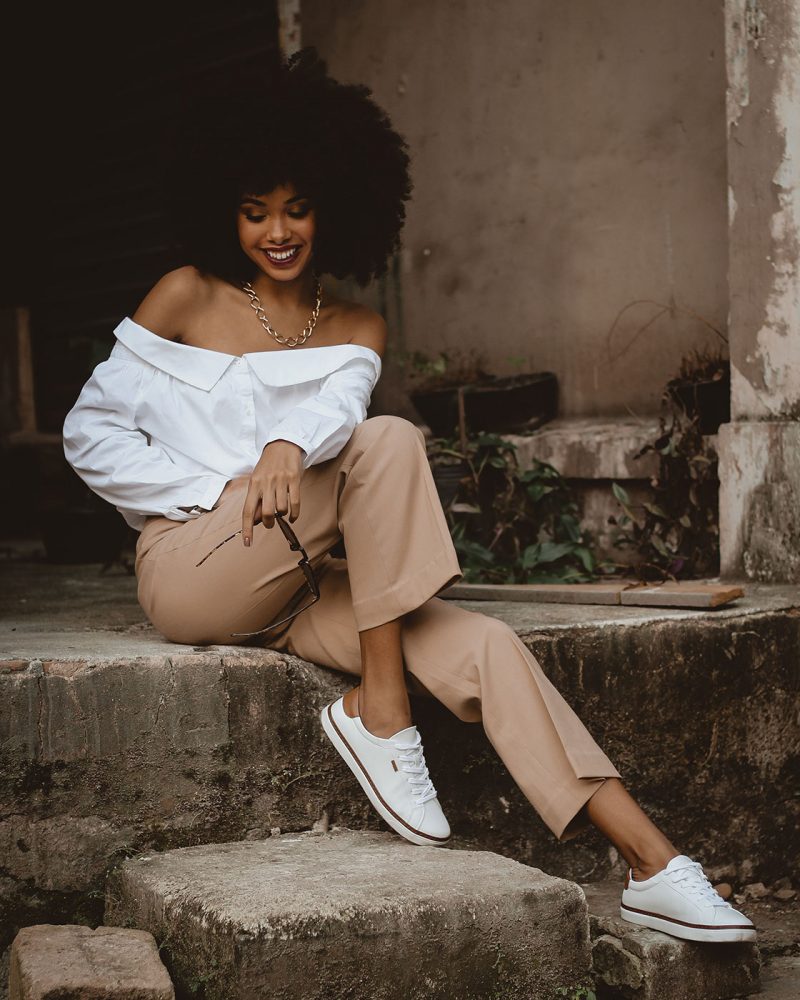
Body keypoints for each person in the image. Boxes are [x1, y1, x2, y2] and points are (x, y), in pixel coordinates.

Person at [62, 49, 755, 945]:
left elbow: (342, 412)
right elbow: (90, 433)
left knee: (489, 645)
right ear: (222, 210)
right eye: (254, 210)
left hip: (312, 584)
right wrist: (221, 489)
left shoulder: (356, 326)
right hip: (195, 569)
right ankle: (382, 711)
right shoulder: (186, 296)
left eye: (298, 207)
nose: (279, 231)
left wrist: (284, 446)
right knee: (392, 440)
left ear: (338, 207)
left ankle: (654, 865)